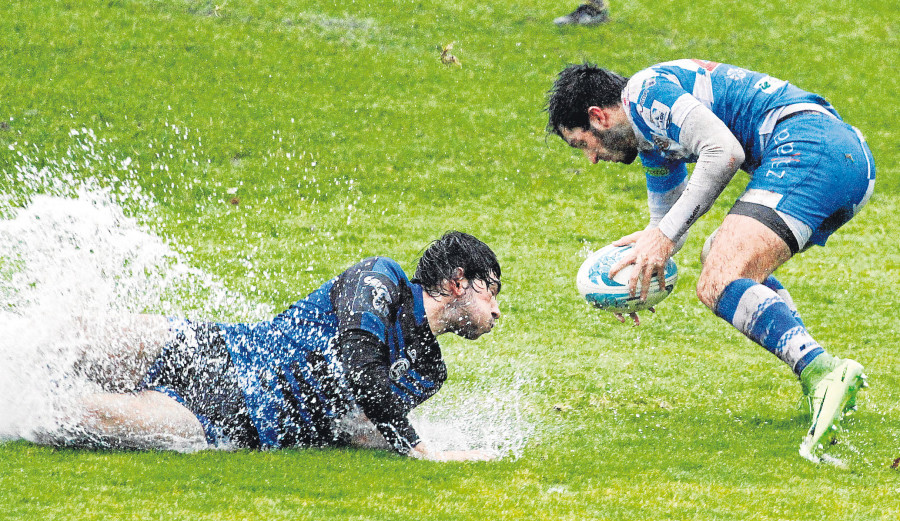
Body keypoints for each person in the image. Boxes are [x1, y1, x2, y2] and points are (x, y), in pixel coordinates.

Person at [545, 60, 874, 462]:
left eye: (584, 144)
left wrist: (663, 236)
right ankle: (821, 380)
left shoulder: (644, 93)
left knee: (717, 280)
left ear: (598, 116)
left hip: (810, 149)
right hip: (833, 154)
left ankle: (822, 371)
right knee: (716, 261)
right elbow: (668, 226)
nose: (592, 159)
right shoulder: (653, 138)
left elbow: (723, 152)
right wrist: (633, 282)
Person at [39, 231, 502, 461]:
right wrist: (420, 449)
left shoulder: (428, 372)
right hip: (215, 350)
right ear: (457, 281)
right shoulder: (380, 278)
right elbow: (362, 368)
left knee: (80, 420)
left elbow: (355, 424)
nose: (497, 311)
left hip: (233, 422)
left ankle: (16, 412)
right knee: (78, 334)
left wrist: (447, 445)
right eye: (491, 291)